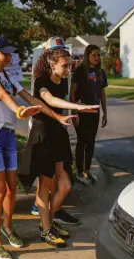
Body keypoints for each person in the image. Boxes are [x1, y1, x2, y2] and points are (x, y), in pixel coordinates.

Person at [0, 36, 76, 259]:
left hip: (8, 135)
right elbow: (3, 96)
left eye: (10, 53)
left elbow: (32, 98)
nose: (9, 57)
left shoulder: (7, 75)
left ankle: (8, 229)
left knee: (12, 190)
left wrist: (57, 118)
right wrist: (19, 111)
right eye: (5, 53)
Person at [21, 38, 99, 248]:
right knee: (45, 187)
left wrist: (77, 108)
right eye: (65, 66)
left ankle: (48, 222)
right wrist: (77, 107)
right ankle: (46, 230)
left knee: (64, 185)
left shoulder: (63, 80)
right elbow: (52, 101)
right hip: (43, 135)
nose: (68, 70)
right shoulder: (41, 81)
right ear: (51, 64)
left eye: (69, 65)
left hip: (59, 134)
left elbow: (61, 100)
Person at [70, 44, 108, 186]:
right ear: (87, 55)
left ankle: (87, 169)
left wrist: (105, 112)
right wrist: (74, 112)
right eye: (94, 55)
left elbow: (102, 94)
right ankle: (79, 172)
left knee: (91, 142)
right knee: (82, 141)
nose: (97, 58)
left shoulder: (101, 73)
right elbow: (72, 92)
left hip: (95, 112)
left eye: (99, 55)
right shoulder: (80, 71)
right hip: (82, 112)